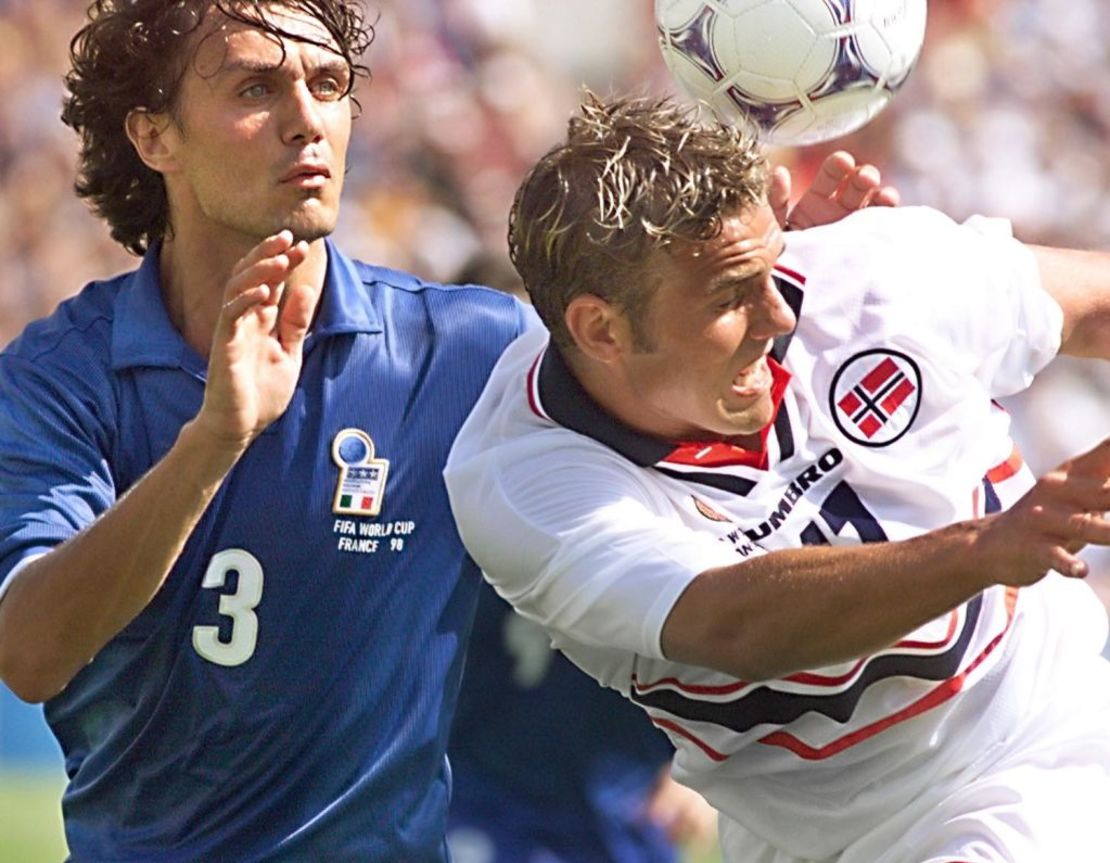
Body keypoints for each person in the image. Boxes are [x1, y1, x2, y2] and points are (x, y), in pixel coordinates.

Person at [0, 2, 895, 860]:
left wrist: (760, 305)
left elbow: (677, 420)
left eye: (327, 82)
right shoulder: (60, 378)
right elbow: (31, 653)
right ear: (154, 135)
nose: (307, 119)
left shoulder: (469, 353)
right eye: (253, 89)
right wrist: (215, 439)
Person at [443, 92, 1110, 863]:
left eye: (774, 264)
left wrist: (770, 281)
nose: (781, 312)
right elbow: (734, 622)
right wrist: (983, 547)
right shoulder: (524, 477)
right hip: (800, 835)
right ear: (602, 329)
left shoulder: (868, 273)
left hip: (1032, 751)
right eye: (731, 295)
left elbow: (1091, 305)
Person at [445, 159, 901, 863]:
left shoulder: (659, 489)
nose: (532, 391)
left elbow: (774, 586)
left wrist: (784, 318)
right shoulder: (435, 497)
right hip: (473, 806)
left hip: (618, 818)